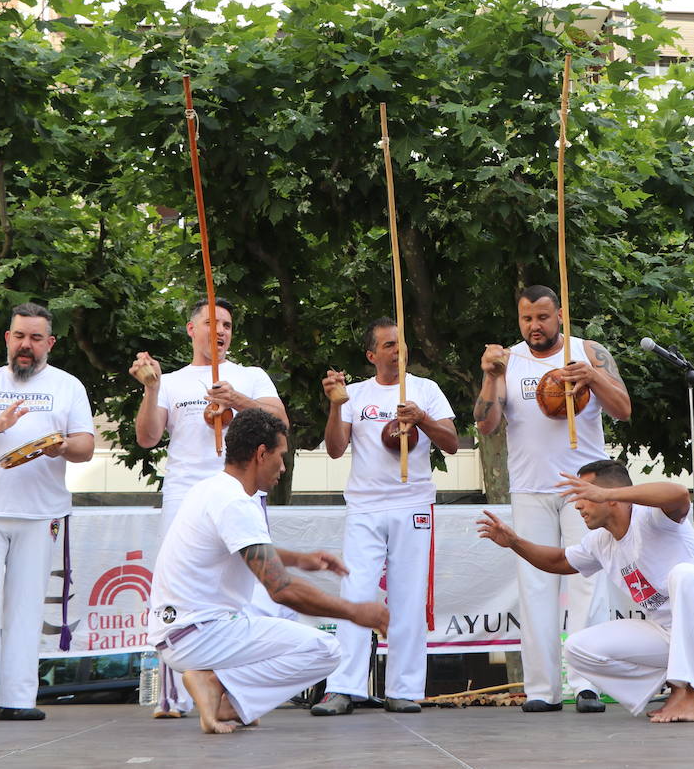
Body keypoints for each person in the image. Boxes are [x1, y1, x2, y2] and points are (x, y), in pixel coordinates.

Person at [148, 408, 389, 734]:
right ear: (261, 454)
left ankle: (226, 693)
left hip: (180, 631)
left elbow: (245, 551)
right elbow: (282, 589)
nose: (283, 467)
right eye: (281, 455)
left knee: (271, 613)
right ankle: (219, 689)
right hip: (198, 635)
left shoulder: (212, 488)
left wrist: (301, 558)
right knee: (326, 650)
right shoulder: (235, 502)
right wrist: (355, 611)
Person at [477, 461, 694, 723]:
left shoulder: (652, 517)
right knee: (578, 648)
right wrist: (514, 542)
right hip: (672, 636)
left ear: (610, 497)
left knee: (684, 574)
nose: (577, 504)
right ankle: (674, 686)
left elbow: (678, 494)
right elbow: (558, 561)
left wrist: (606, 492)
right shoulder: (599, 542)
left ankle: (693, 694)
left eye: (583, 495)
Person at [473, 285, 631, 713]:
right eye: (526, 319)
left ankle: (587, 685)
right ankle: (542, 689)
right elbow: (486, 426)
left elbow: (624, 409)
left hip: (584, 488)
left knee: (588, 585)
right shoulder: (507, 359)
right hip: (529, 487)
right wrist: (489, 375)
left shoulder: (589, 351)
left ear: (559, 315)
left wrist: (592, 377)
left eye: (542, 317)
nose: (534, 326)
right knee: (535, 588)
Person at [130, 297, 289, 719]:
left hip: (239, 489)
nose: (220, 331)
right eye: (211, 322)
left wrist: (237, 399)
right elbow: (147, 437)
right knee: (177, 587)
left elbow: (281, 421)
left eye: (227, 324)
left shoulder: (249, 375)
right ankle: (175, 696)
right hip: (186, 493)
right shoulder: (175, 381)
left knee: (250, 587)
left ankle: (234, 693)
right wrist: (151, 388)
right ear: (190, 329)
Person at [0, 302, 95, 723]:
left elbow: (86, 446)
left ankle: (17, 699)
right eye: (20, 336)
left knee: (26, 608)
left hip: (40, 514)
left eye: (36, 338)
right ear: (8, 338)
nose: (26, 345)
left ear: (50, 343)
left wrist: (62, 446)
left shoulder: (68, 386)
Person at [310, 318, 459, 716]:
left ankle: (404, 689)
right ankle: (343, 687)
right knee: (356, 594)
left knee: (409, 597)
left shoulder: (426, 390)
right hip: (364, 506)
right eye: (389, 345)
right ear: (371, 355)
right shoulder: (354, 394)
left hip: (413, 505)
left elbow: (453, 443)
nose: (398, 350)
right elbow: (335, 450)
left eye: (401, 343)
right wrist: (336, 405)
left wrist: (422, 418)